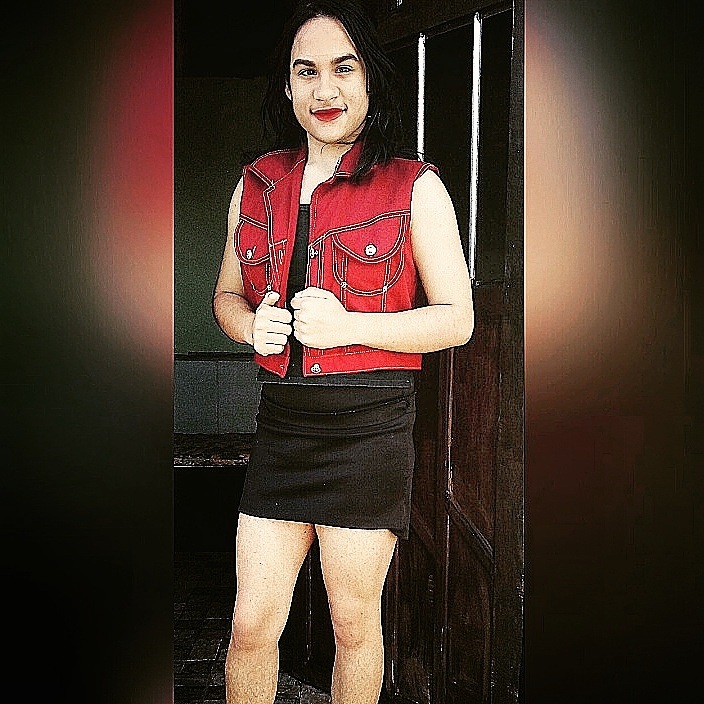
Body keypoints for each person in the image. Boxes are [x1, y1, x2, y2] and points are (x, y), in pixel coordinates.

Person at [212, 1, 474, 702]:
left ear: (369, 79)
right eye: (306, 72)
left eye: (343, 68)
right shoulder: (256, 184)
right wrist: (249, 328)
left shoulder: (415, 186)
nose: (324, 89)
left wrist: (348, 326)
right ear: (288, 86)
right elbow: (226, 296)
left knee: (353, 627)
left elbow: (457, 321)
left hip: (368, 431)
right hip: (283, 428)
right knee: (249, 625)